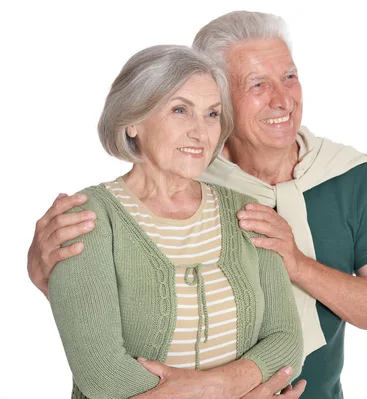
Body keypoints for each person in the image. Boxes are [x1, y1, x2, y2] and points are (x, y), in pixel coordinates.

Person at [28, 11, 367, 399]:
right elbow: (102, 355)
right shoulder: (163, 186)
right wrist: (48, 275)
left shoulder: (339, 178)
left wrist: (296, 264)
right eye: (257, 84)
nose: (282, 99)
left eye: (290, 77)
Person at [45, 44, 303, 399]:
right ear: (132, 120)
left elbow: (286, 344)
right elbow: (103, 377)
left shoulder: (248, 211)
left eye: (212, 114)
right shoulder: (87, 218)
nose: (201, 132)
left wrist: (217, 385)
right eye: (180, 110)